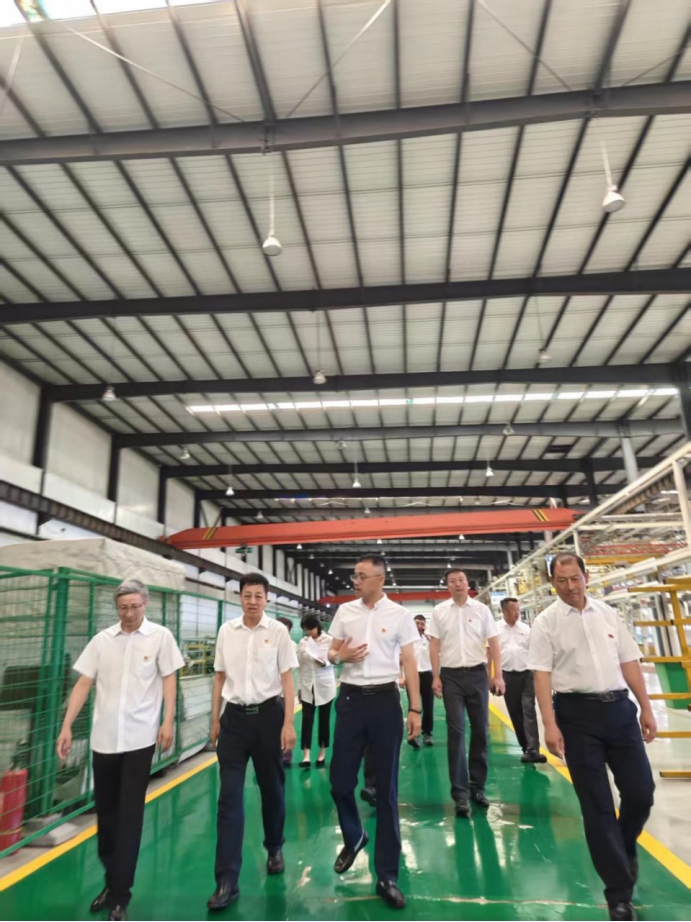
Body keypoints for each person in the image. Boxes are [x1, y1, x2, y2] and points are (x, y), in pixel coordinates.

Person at [529, 553, 657, 922]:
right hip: (576, 716)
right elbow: (541, 675)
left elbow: (629, 661)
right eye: (561, 581)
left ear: (586, 577)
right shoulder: (546, 622)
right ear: (552, 583)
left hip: (619, 711)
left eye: (575, 579)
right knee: (597, 805)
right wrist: (549, 724)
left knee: (641, 792)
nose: (570, 587)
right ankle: (619, 894)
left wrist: (646, 707)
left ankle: (623, 844)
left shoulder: (608, 614)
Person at [56, 580, 184, 922]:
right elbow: (84, 683)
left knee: (129, 817)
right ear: (117, 607)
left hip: (140, 741)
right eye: (123, 607)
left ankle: (120, 897)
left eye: (135, 606)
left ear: (146, 603)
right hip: (104, 740)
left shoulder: (160, 637)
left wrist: (167, 720)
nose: (129, 613)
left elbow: (169, 678)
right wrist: (66, 725)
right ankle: (111, 882)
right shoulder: (102, 641)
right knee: (107, 816)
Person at [327, 555, 421, 910]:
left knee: (386, 791)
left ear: (379, 579)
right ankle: (354, 836)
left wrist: (415, 708)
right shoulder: (345, 612)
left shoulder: (399, 615)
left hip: (385, 701)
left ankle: (387, 875)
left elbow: (409, 661)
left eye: (361, 576)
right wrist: (341, 656)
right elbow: (330, 652)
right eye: (354, 575)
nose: (355, 580)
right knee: (340, 782)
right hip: (350, 701)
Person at [207, 575, 298, 911]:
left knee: (272, 788)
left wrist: (288, 722)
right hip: (233, 720)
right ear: (240, 597)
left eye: (259, 596)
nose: (253, 601)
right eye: (247, 595)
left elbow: (287, 678)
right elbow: (219, 676)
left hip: (268, 718)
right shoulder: (226, 631)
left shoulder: (278, 632)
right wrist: (214, 719)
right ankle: (226, 881)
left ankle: (274, 846)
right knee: (229, 799)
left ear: (267, 598)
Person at [429, 569, 505, 818]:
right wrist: (436, 676)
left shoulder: (481, 610)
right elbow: (434, 645)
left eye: (461, 580)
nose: (457, 584)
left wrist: (497, 674)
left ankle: (477, 787)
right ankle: (460, 794)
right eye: (452, 581)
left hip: (477, 676)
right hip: (451, 677)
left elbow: (494, 643)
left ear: (467, 583)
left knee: (481, 730)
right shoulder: (440, 612)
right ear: (448, 586)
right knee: (456, 731)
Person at [497, 598, 546, 765]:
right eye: (513, 610)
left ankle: (533, 749)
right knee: (515, 713)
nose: (517, 613)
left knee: (528, 710)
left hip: (526, 675)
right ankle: (525, 748)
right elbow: (490, 653)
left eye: (518, 609)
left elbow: (535, 651)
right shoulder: (495, 629)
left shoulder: (526, 629)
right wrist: (493, 677)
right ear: (504, 611)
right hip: (507, 676)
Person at [297, 614, 337, 768]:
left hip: (325, 685)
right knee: (306, 720)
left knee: (324, 720)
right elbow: (301, 667)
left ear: (317, 627)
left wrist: (325, 663)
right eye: (306, 630)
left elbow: (335, 660)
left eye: (310, 629)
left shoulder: (329, 640)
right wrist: (299, 688)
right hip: (308, 685)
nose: (308, 632)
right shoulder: (303, 642)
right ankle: (306, 755)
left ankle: (322, 753)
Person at [406, 615, 435, 750]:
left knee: (428, 706)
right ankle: (414, 735)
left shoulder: (429, 640)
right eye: (417, 623)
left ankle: (427, 733)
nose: (419, 626)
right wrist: (401, 677)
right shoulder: (407, 641)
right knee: (413, 707)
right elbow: (402, 659)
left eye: (422, 623)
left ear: (425, 626)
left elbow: (436, 656)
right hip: (413, 676)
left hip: (427, 675)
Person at [277, 617, 299, 768]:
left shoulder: (292, 645)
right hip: (269, 693)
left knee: (286, 721)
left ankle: (286, 754)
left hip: (284, 692)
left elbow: (288, 669)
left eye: (286, 631)